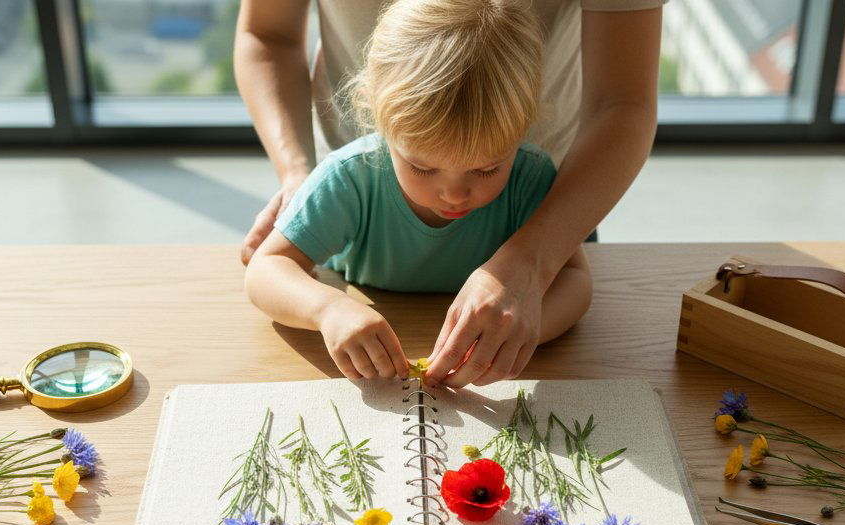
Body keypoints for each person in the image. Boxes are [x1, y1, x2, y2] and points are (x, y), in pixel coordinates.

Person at [237, 0, 663, 387]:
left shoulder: (532, 181)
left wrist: (520, 327)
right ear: (374, 116)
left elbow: (574, 281)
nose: (455, 193)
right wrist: (328, 309)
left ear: (525, 128)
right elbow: (266, 269)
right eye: (422, 166)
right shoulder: (350, 178)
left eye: (487, 168)